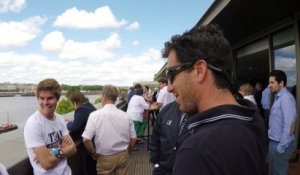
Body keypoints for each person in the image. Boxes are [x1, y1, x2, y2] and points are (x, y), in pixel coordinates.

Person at [162, 24, 267, 175]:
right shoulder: (252, 117)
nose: (170, 87)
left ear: (199, 70)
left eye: (171, 75)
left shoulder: (197, 151)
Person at [24, 78, 76, 175]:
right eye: (42, 98)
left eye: (50, 98)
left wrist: (53, 152)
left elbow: (73, 149)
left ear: (57, 99)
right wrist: (63, 151)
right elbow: (46, 163)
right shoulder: (34, 123)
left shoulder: (60, 119)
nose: (45, 102)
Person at [82, 85, 137, 175]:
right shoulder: (126, 116)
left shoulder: (94, 115)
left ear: (104, 97)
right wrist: (128, 151)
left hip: (104, 157)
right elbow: (134, 139)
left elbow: (86, 140)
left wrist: (93, 153)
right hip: (123, 155)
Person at [268, 70, 297, 175]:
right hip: (274, 142)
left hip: (280, 144)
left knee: (278, 172)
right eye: (269, 82)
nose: (269, 85)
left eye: (272, 82)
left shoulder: (286, 99)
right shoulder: (278, 98)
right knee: (272, 171)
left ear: (281, 83)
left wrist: (281, 148)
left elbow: (289, 126)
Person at [150, 101, 189, 175]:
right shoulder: (167, 109)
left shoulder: (205, 111)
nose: (169, 89)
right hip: (163, 169)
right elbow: (155, 139)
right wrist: (155, 164)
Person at [66, 91, 97, 175]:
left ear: (75, 103)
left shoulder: (82, 110)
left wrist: (66, 123)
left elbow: (74, 127)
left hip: (90, 146)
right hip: (96, 142)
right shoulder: (90, 106)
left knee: (90, 170)